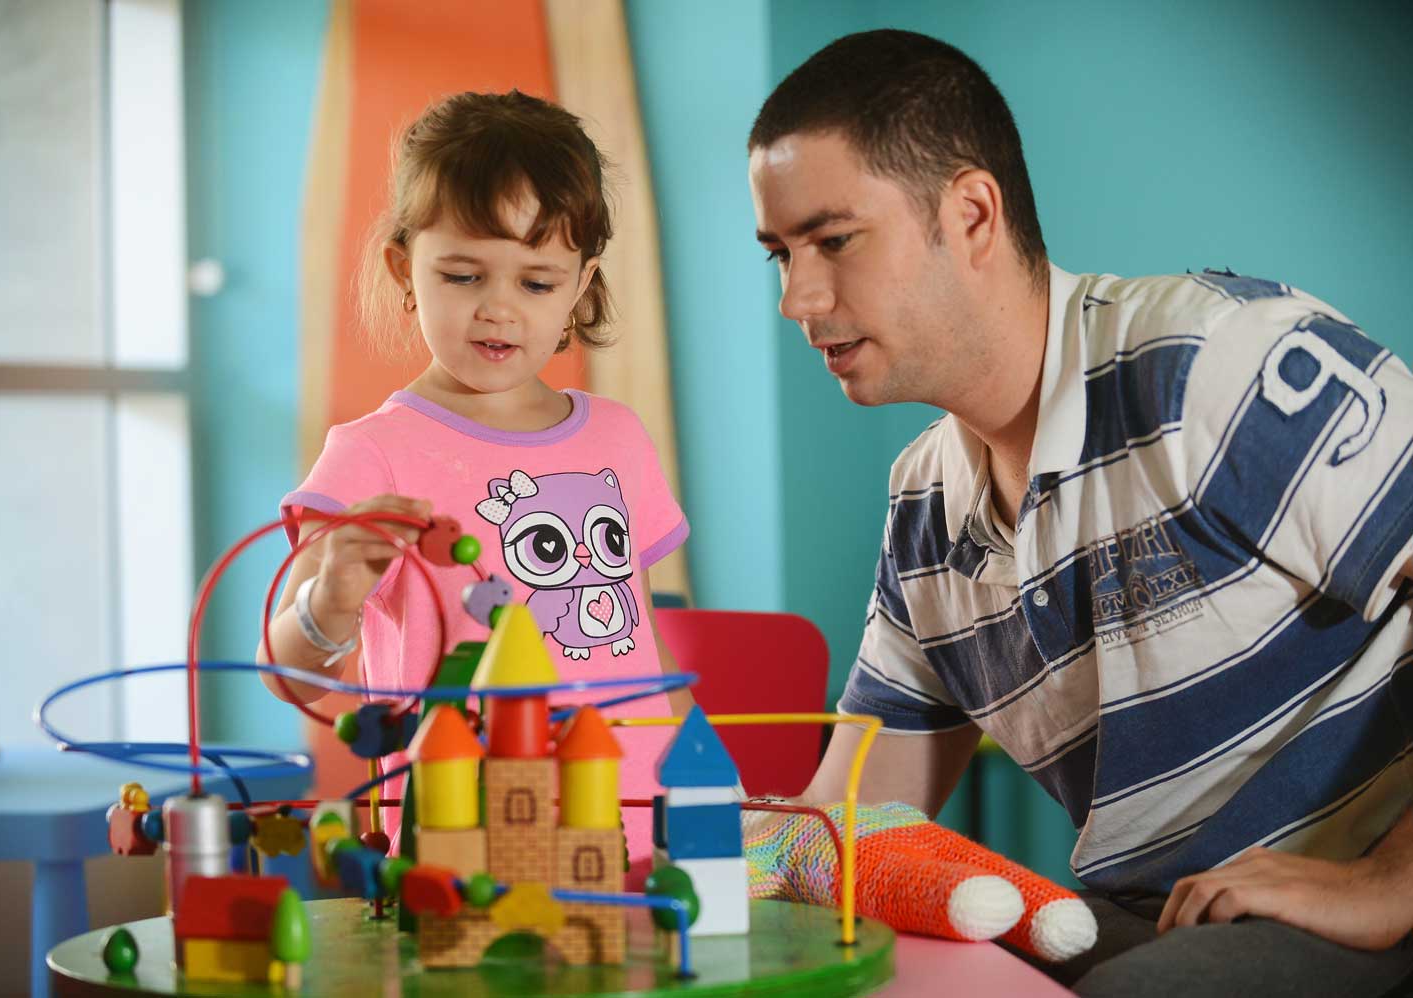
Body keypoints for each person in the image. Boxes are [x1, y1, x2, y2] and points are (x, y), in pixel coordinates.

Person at [746, 28, 1413, 996]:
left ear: (972, 214)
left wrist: (1385, 883)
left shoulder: (1214, 364)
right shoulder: (924, 508)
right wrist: (662, 841)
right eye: (778, 253)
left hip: (1357, 910)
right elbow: (842, 821)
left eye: (833, 241)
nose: (796, 297)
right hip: (1151, 921)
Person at [257, 90, 691, 862]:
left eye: (536, 282)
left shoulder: (619, 437)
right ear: (405, 268)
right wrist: (331, 600)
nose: (499, 310)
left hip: (632, 831)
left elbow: (645, 639)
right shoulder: (371, 453)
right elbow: (291, 681)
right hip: (455, 844)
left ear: (580, 287)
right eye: (463, 276)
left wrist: (699, 789)